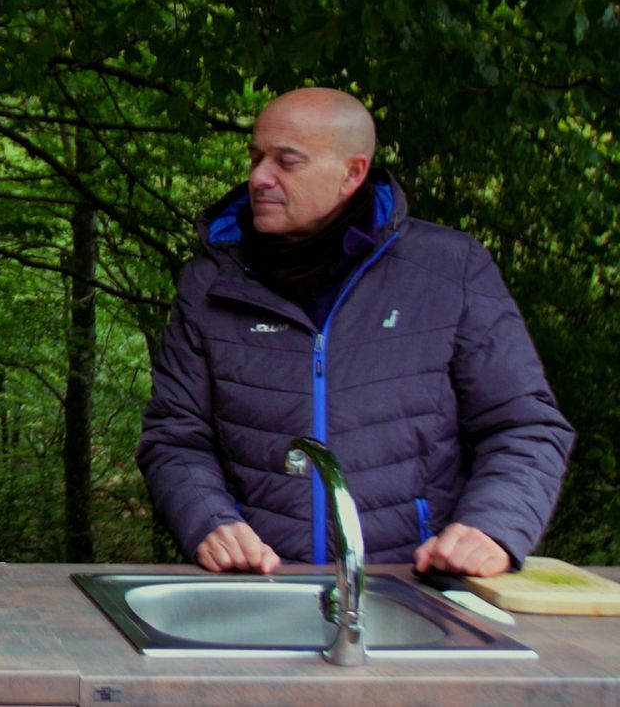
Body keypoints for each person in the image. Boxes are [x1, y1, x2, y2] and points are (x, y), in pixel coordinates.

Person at [137, 87, 573, 578]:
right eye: (256, 157)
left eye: (287, 161)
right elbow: (175, 437)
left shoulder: (450, 270)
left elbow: (525, 426)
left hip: (419, 586)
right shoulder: (212, 281)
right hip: (261, 583)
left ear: (352, 173)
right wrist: (210, 522)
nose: (259, 177)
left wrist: (493, 526)